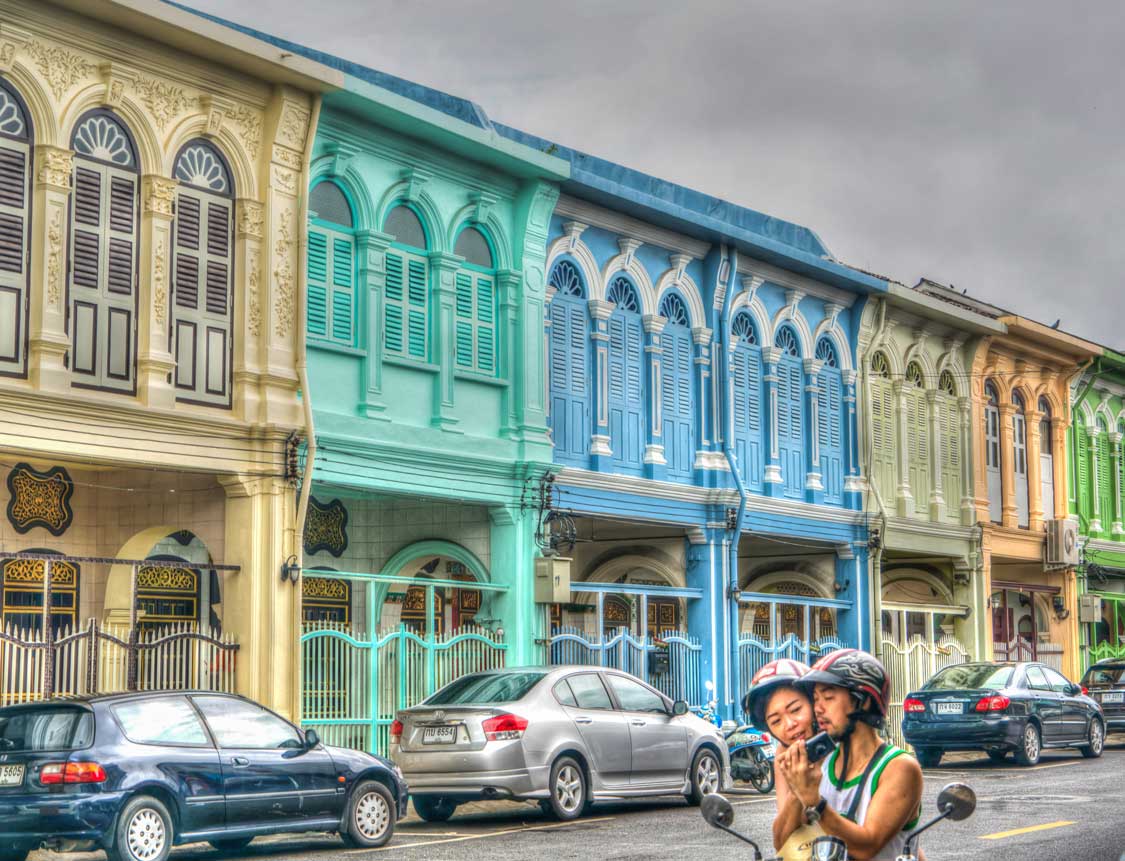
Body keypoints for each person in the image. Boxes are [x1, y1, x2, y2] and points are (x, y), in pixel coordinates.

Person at [775, 649, 923, 861]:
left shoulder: (898, 768)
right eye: (815, 699)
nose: (818, 708)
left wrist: (815, 802)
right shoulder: (822, 761)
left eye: (828, 697)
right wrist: (797, 793)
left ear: (862, 701)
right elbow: (782, 842)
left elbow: (867, 846)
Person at [742, 659, 823, 859]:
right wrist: (798, 790)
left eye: (796, 710)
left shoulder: (844, 743)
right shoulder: (784, 754)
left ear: (813, 704)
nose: (789, 725)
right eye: (776, 721)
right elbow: (782, 840)